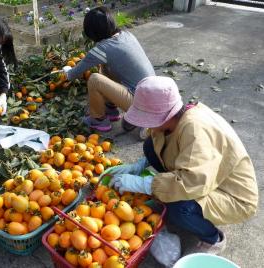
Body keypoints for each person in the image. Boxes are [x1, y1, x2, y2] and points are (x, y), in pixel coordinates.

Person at [107, 76, 258, 254]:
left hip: (231, 195)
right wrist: (139, 165)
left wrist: (145, 184)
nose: (145, 124)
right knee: (150, 146)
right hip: (206, 176)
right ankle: (173, 192)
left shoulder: (195, 130)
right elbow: (160, 144)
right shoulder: (176, 120)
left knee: (178, 207)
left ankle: (213, 238)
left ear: (164, 116)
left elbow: (192, 182)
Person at [62, 6, 155, 132]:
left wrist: (66, 70)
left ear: (92, 32)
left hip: (140, 103)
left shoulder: (103, 49)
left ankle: (98, 120)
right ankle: (110, 109)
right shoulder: (127, 35)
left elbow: (72, 75)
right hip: (153, 96)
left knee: (95, 79)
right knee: (106, 65)